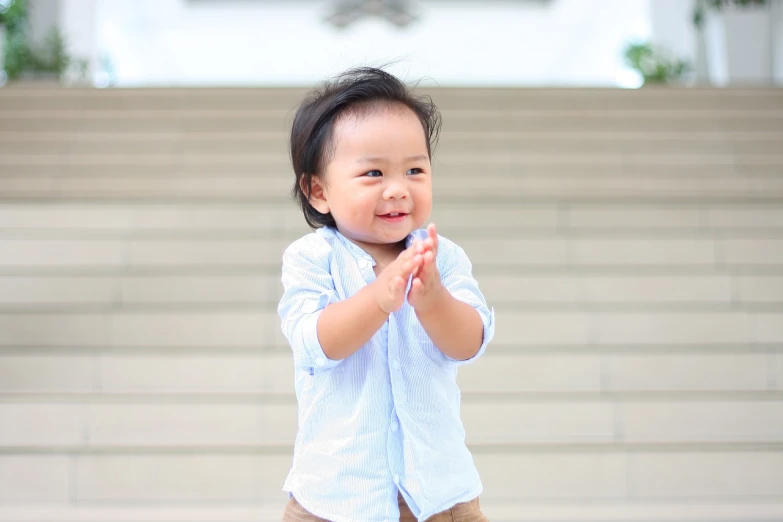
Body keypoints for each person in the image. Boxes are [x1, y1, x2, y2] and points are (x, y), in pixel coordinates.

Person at [277, 66, 495, 522]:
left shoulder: (442, 257)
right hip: (336, 499)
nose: (398, 188)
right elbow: (317, 342)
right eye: (373, 173)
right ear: (318, 191)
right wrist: (378, 297)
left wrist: (433, 297)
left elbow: (468, 342)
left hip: (440, 498)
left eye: (415, 169)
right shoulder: (311, 259)